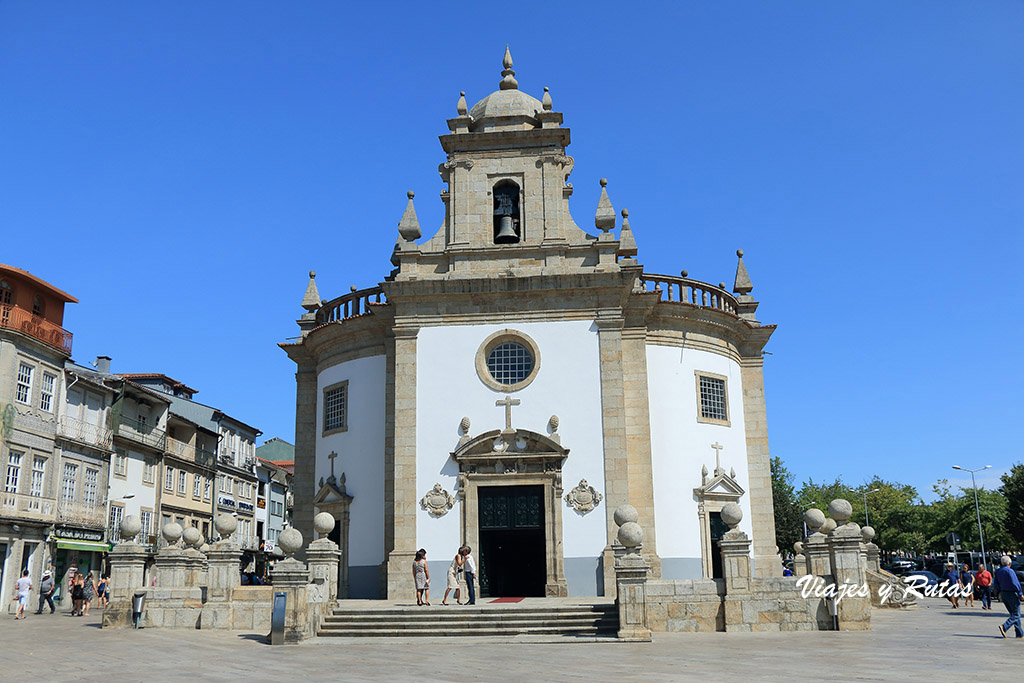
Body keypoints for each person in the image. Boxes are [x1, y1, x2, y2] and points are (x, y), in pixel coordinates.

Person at [995, 555, 1023, 638]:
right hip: (1012, 594)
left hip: (1004, 594)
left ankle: (1019, 633)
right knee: (1016, 615)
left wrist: (1000, 591)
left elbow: (996, 583)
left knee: (1013, 614)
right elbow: (1015, 583)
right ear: (1009, 563)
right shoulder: (1010, 571)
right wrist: (1020, 593)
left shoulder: (998, 571)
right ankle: (1004, 626)